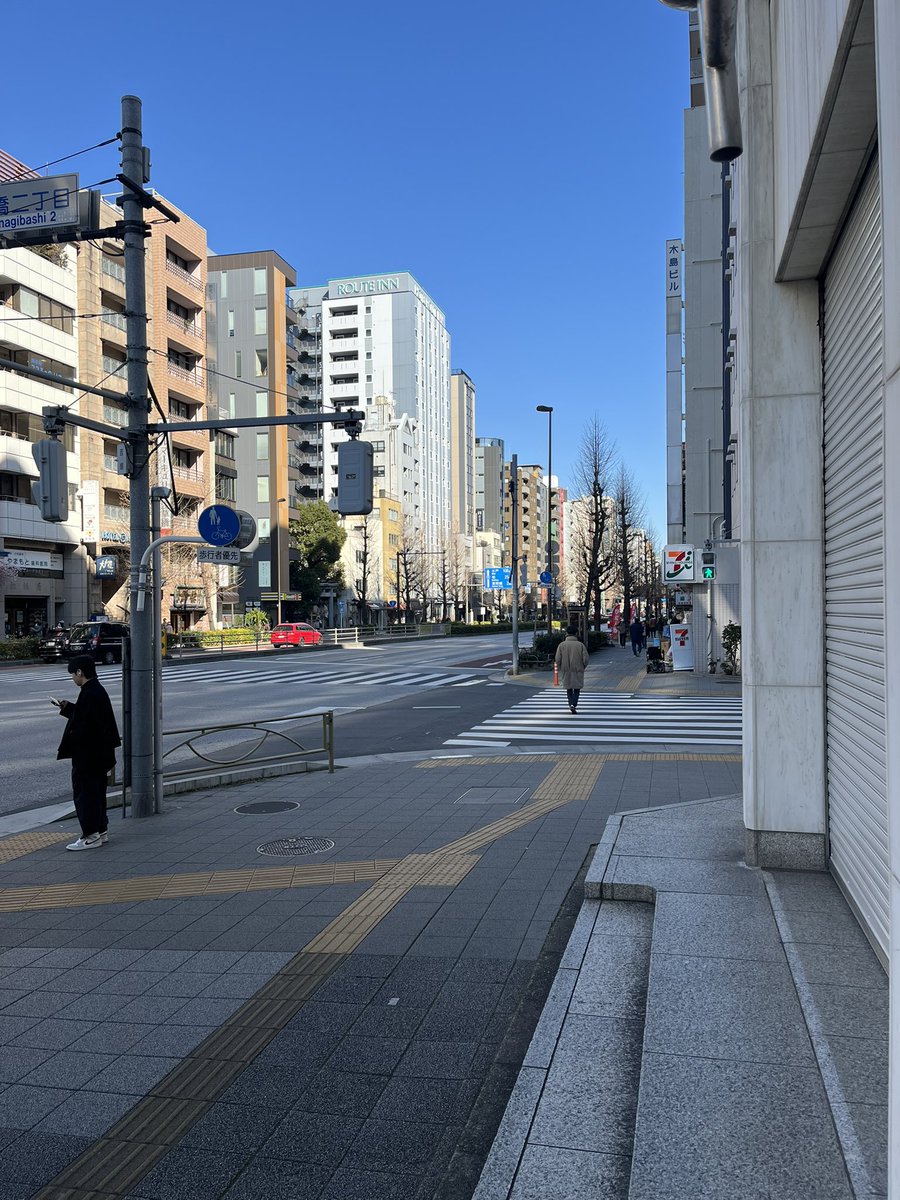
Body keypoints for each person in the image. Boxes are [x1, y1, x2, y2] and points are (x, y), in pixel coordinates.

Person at [53, 654, 121, 851]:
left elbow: (83, 726)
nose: (73, 678)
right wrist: (68, 708)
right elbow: (88, 718)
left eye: (73, 674)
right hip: (100, 755)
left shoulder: (89, 693)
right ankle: (101, 831)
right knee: (97, 794)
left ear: (80, 672)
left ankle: (90, 836)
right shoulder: (96, 690)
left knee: (85, 795)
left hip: (88, 756)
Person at [555, 625, 590, 714]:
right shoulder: (580, 645)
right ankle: (574, 704)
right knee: (577, 688)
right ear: (576, 634)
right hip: (578, 668)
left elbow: (557, 659)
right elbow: (586, 659)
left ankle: (571, 703)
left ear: (566, 633)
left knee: (569, 688)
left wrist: (560, 667)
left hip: (566, 669)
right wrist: (583, 666)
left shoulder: (561, 645)